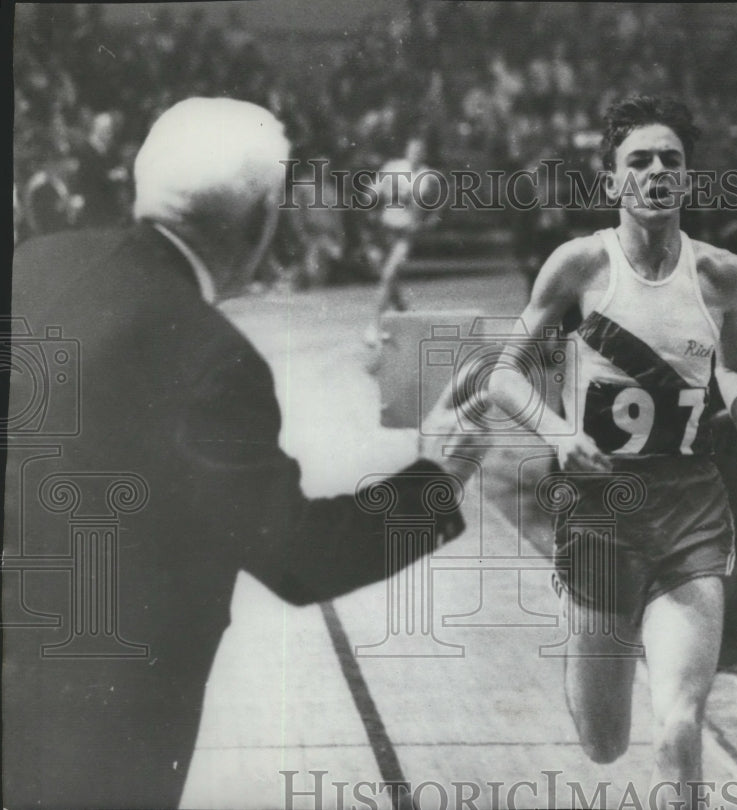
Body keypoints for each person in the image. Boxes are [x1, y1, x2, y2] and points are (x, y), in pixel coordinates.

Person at [3, 98, 466, 810]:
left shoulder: (35, 264)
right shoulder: (214, 359)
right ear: (262, 222)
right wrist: (438, 476)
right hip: (104, 730)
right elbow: (300, 556)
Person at [488, 96, 737, 810]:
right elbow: (501, 375)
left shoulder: (722, 276)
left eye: (671, 161)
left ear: (689, 179)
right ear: (613, 180)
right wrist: (559, 433)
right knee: (604, 740)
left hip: (690, 508)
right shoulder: (580, 267)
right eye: (639, 161)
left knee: (678, 728)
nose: (656, 172)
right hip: (598, 514)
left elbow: (735, 367)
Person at [364, 135, 441, 348]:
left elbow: (433, 204)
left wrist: (427, 221)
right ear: (406, 151)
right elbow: (373, 190)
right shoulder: (393, 168)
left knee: (389, 275)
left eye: (420, 152)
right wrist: (372, 199)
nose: (415, 155)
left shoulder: (426, 176)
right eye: (412, 150)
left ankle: (375, 326)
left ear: (424, 155)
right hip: (385, 229)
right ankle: (406, 319)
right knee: (391, 281)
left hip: (405, 233)